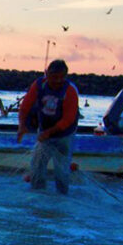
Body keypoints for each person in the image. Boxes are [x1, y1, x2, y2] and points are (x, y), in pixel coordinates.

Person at [16, 59, 79, 195]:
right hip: (45, 129)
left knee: (61, 169)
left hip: (64, 134)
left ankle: (61, 198)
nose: (57, 81)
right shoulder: (39, 85)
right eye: (54, 77)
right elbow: (25, 107)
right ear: (46, 74)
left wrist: (49, 132)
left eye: (61, 77)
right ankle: (37, 196)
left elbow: (68, 119)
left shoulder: (70, 91)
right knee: (37, 165)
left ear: (66, 76)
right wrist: (22, 126)